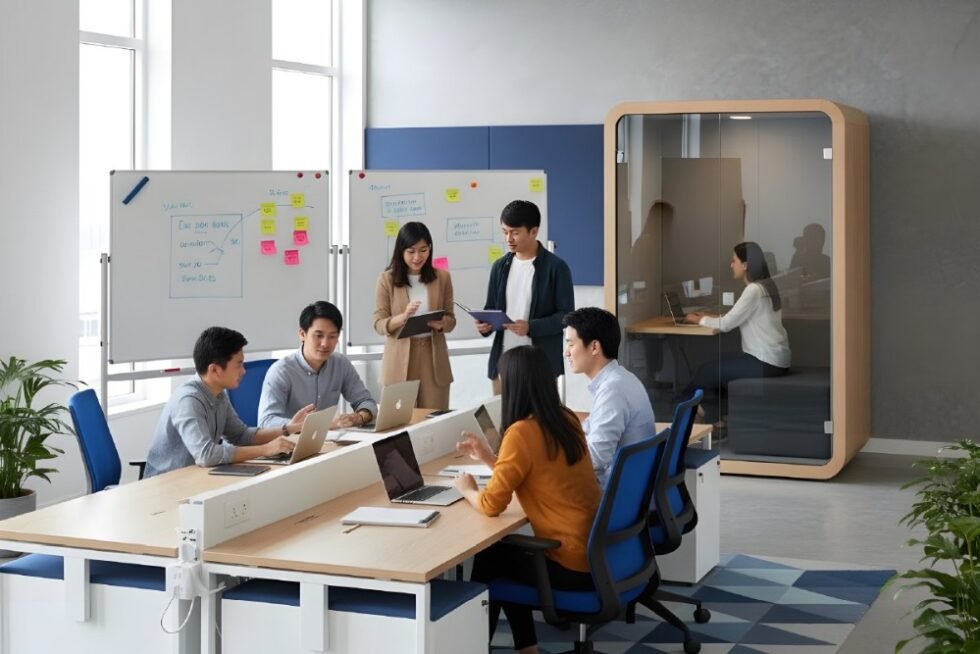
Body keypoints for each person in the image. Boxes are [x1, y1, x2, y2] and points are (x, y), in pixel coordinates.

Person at [454, 345, 600, 654]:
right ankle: (526, 648)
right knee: (503, 556)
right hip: (595, 554)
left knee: (491, 559)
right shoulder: (565, 418)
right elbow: (536, 472)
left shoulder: (521, 432)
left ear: (514, 386)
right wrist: (489, 458)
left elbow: (491, 505)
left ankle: (480, 647)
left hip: (570, 564)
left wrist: (467, 489)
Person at [144, 327, 309, 478]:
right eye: (238, 365)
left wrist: (288, 429)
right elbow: (206, 455)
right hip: (166, 483)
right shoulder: (188, 400)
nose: (243, 371)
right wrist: (265, 449)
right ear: (215, 370)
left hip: (198, 477)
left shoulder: (218, 394)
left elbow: (241, 436)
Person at [682, 241, 791, 426]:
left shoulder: (753, 290)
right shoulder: (766, 285)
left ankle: (706, 417)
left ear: (745, 265)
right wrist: (709, 316)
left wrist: (698, 320)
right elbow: (737, 316)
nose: (731, 265)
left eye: (734, 261)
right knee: (717, 364)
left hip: (765, 362)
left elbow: (726, 324)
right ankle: (714, 418)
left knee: (705, 371)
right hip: (775, 360)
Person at [478, 200, 574, 392]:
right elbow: (491, 308)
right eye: (505, 232)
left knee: (540, 412)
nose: (508, 239)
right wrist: (485, 325)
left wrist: (531, 327)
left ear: (533, 231)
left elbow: (566, 316)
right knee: (502, 412)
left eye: (515, 232)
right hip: (503, 362)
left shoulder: (556, 268)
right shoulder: (499, 267)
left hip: (541, 365)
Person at [563, 307, 656, 487]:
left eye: (571, 344)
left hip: (613, 491)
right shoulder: (622, 378)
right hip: (632, 485)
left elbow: (596, 459)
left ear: (594, 347)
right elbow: (594, 427)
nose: (566, 352)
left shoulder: (612, 390)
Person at [372, 222, 456, 410]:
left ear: (430, 249)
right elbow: (378, 323)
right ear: (401, 251)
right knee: (400, 421)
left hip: (433, 359)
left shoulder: (442, 278)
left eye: (423, 250)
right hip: (399, 359)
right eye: (411, 251)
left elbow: (451, 319)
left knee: (434, 418)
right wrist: (403, 317)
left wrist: (442, 323)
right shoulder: (386, 279)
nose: (417, 257)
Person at [258, 301, 378, 430]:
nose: (325, 343)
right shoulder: (281, 371)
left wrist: (359, 417)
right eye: (318, 335)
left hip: (330, 438)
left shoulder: (340, 364)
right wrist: (306, 425)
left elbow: (366, 401)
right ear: (302, 334)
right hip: (291, 439)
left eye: (332, 336)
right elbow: (266, 422)